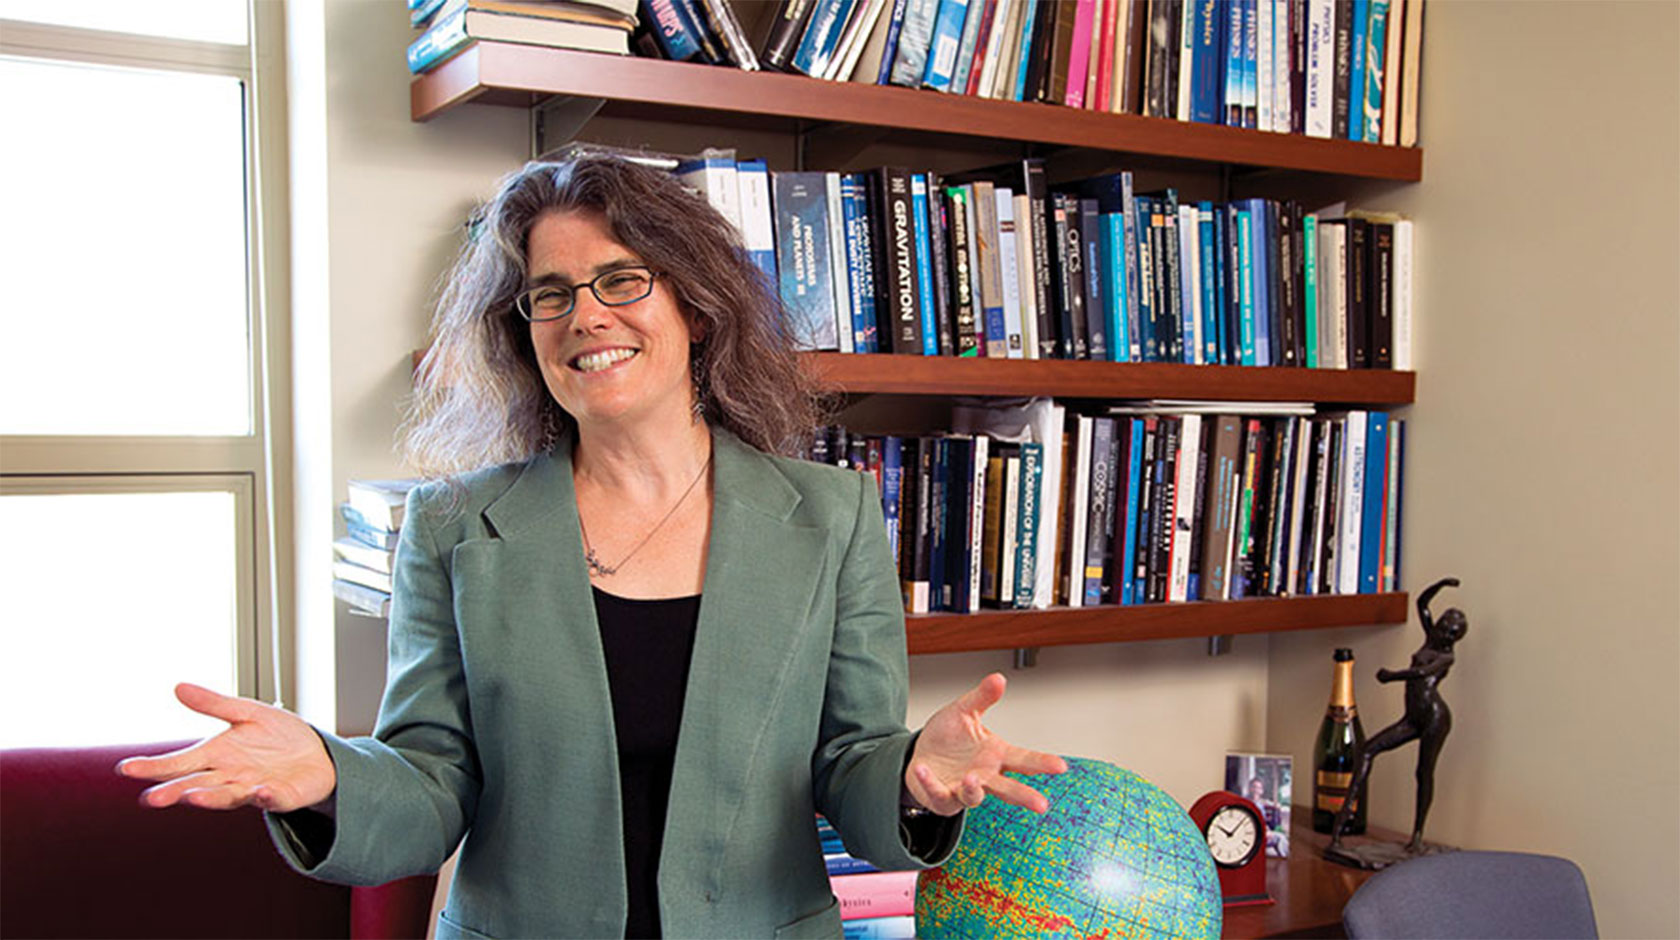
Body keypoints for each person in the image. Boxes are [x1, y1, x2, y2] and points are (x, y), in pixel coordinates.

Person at [118, 155, 1067, 939]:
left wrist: (913, 779)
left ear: (695, 306)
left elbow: (849, 762)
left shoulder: (833, 516)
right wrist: (330, 778)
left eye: (621, 279)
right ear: (523, 330)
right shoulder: (454, 528)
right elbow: (430, 786)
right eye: (551, 294)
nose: (587, 316)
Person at [1330, 577, 1466, 852]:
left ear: (1456, 637)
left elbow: (1420, 673)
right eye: (1443, 624)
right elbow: (1421, 603)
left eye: (1451, 631)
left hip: (1434, 718)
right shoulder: (1431, 638)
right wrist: (1440, 585)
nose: (1444, 632)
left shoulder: (1446, 656)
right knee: (1367, 750)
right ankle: (1342, 822)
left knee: (1423, 772)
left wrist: (1392, 676)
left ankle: (1417, 835)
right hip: (1412, 718)